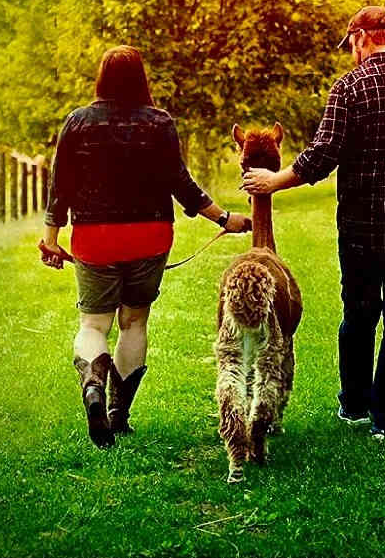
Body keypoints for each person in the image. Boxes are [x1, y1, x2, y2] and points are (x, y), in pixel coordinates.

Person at [242, 6, 385, 438]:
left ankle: (353, 404)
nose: (351, 52)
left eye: (351, 43)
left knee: (359, 313)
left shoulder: (350, 88)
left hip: (362, 227)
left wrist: (275, 180)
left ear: (363, 37)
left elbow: (323, 154)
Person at [39, 45, 251, 448]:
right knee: (134, 322)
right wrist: (225, 218)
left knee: (93, 325)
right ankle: (118, 414)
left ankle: (92, 385)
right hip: (150, 234)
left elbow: (59, 184)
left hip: (94, 237)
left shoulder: (77, 122)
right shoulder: (159, 122)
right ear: (141, 78)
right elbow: (181, 184)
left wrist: (51, 239)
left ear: (101, 78)